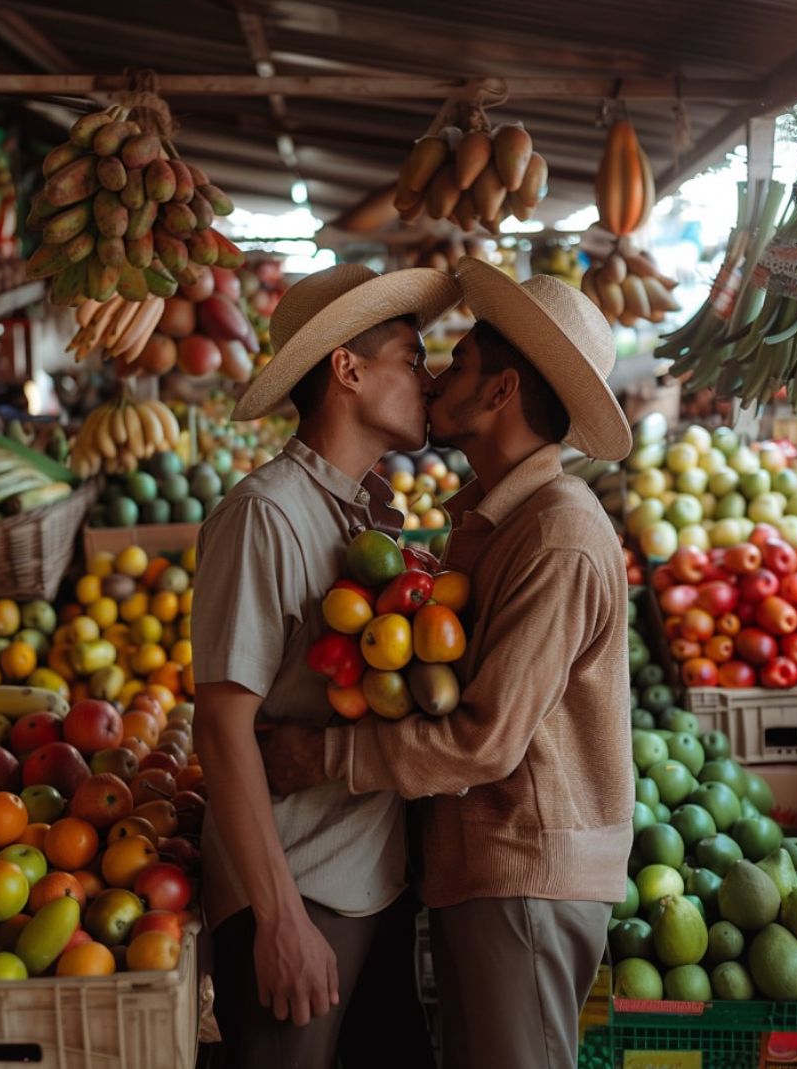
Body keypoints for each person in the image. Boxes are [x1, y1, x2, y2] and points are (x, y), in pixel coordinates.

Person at [259, 258, 636, 1069]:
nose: (433, 380)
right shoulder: (498, 520)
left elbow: (485, 740)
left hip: (528, 873)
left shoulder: (558, 534)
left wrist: (320, 754)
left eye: (458, 363)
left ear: (501, 392)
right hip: (488, 868)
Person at [191, 263, 460, 1069]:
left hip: (371, 880)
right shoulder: (266, 514)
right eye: (412, 359)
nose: (430, 378)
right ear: (347, 368)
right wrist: (278, 920)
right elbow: (220, 723)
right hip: (301, 887)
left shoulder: (364, 512)